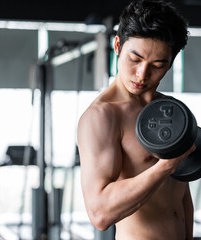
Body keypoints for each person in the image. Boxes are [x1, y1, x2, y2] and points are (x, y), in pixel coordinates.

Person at [77, 0, 195, 239]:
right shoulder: (102, 116)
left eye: (157, 65)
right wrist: (165, 166)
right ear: (118, 45)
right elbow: (100, 213)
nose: (142, 74)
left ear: (170, 63)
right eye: (135, 59)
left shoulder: (170, 110)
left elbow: (182, 197)